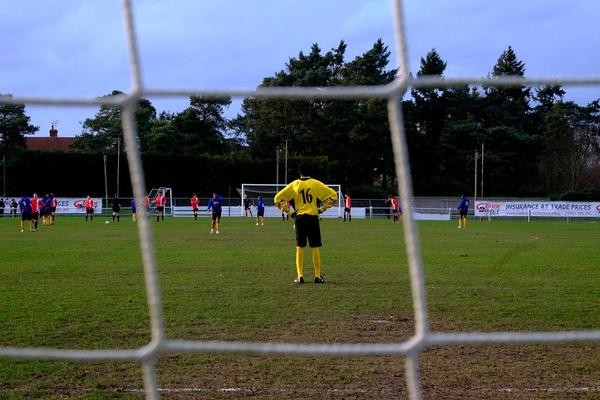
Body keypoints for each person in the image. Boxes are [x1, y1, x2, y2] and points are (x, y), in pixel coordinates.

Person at [274, 163, 338, 284]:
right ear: (311, 172)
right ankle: (318, 276)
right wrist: (322, 209)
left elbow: (277, 198)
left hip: (300, 219)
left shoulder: (295, 184)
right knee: (315, 247)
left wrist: (290, 212)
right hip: (313, 218)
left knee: (300, 247)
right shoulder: (315, 183)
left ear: (299, 172)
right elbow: (333, 196)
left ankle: (300, 276)